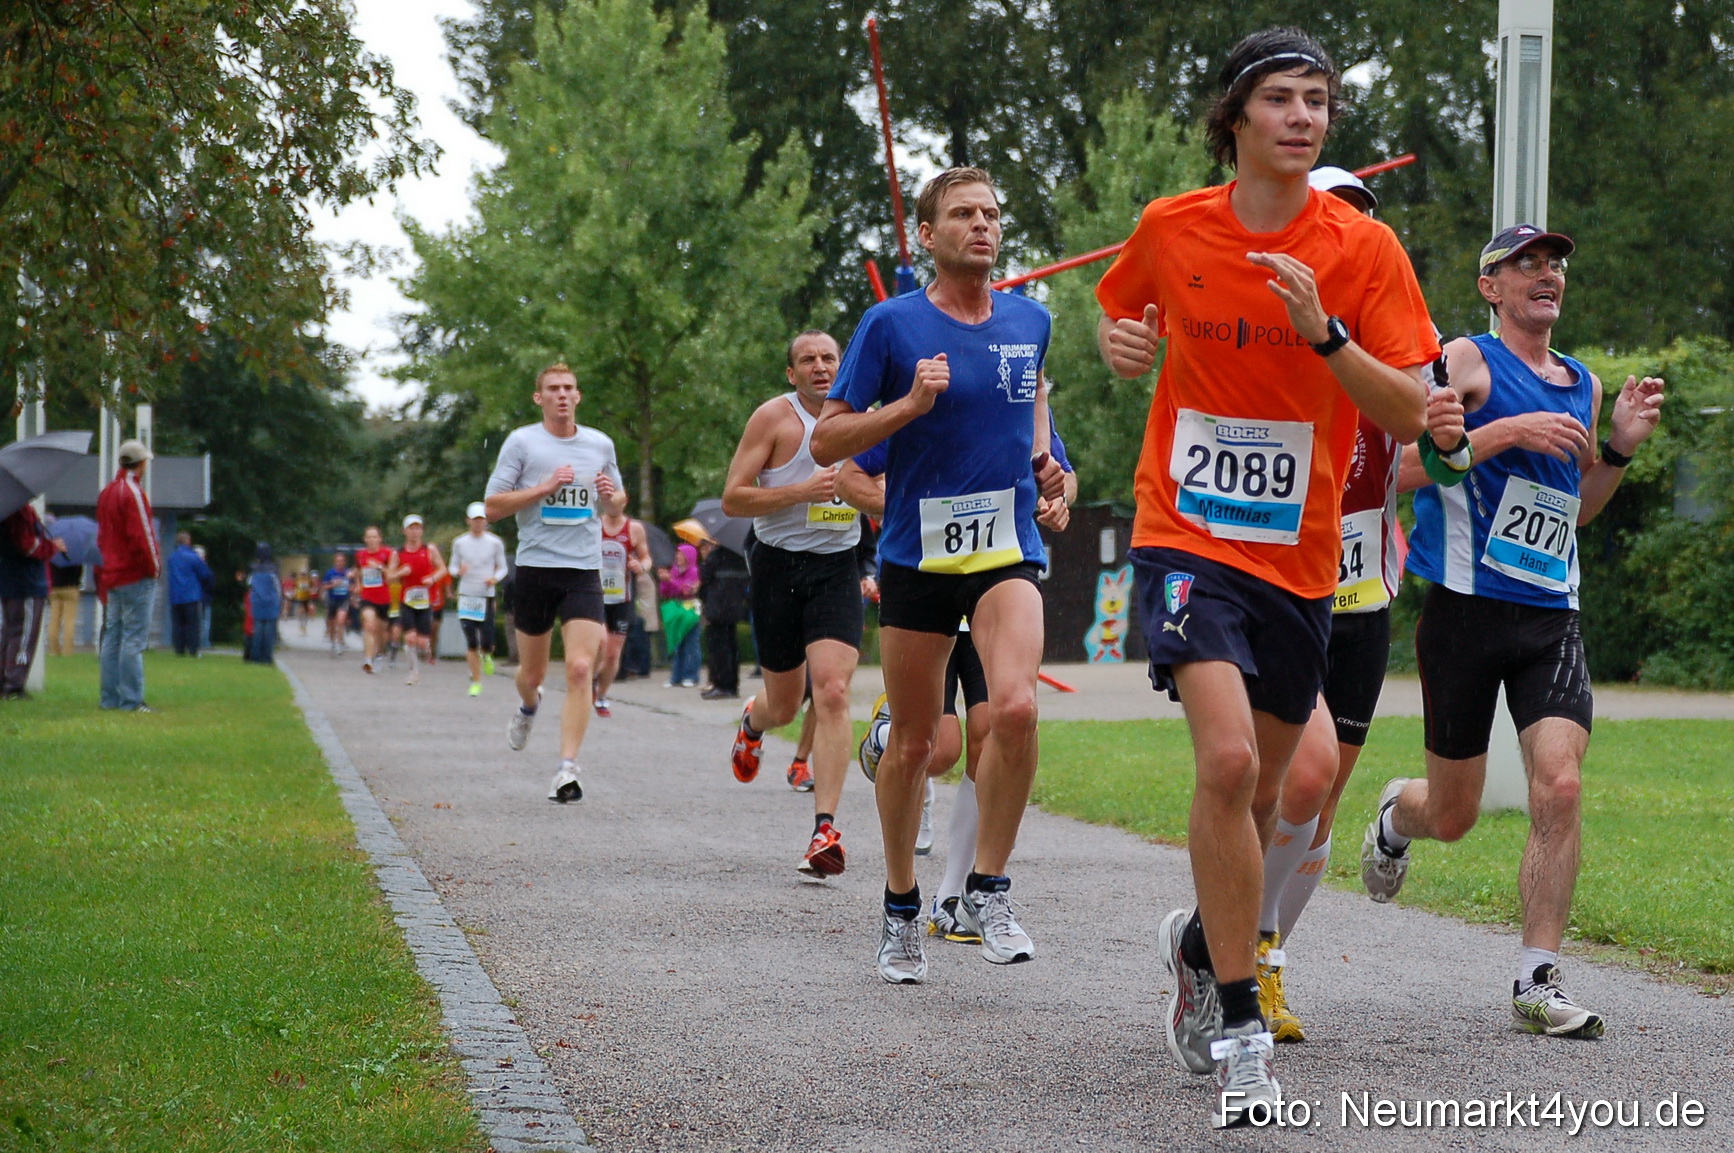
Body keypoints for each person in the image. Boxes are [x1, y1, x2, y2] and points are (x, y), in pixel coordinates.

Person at [1094, 27, 1437, 1127]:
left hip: (1301, 559)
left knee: (1275, 788)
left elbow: (1410, 409)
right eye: (1282, 98)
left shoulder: (1363, 250)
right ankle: (1242, 1028)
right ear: (1235, 116)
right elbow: (1119, 307)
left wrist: (1326, 336)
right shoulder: (1173, 225)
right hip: (1187, 530)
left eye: (1319, 101)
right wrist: (1120, 345)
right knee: (1231, 758)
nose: (1303, 117)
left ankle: (1204, 942)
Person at [1362, 223, 1664, 1041]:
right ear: (1490, 287)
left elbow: (1576, 508)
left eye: (1554, 262)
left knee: (1559, 785)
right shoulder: (1465, 361)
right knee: (1453, 813)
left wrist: (1618, 450)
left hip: (1550, 615)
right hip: (1464, 610)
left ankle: (1537, 977)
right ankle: (1395, 816)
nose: (1546, 272)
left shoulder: (1582, 382)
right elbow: (1401, 465)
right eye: (1525, 262)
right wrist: (1507, 431)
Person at [812, 165, 1068, 985]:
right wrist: (908, 408)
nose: (982, 225)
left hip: (1005, 550)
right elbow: (828, 442)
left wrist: (1052, 470)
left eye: (991, 213)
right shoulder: (890, 325)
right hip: (917, 558)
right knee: (917, 743)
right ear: (927, 235)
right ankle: (899, 905)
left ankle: (988, 889)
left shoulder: (1032, 320)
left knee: (1016, 708)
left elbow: (1032, 411)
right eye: (962, 214)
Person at [1251, 166, 1470, 1043]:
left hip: (1361, 593)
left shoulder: (1396, 337)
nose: (1347, 232)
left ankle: (1262, 957)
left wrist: (1456, 440)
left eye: (1361, 220)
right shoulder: (1264, 321)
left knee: (1322, 794)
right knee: (1290, 779)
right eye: (1333, 215)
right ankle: (1229, 937)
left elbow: (1436, 459)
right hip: (1277, 586)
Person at [843, 410, 1079, 931]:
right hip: (926, 581)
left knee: (994, 727)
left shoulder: (1015, 397)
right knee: (935, 749)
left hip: (994, 585)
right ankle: (889, 736)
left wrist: (1056, 498)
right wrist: (904, 504)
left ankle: (956, 896)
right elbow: (850, 476)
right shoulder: (916, 399)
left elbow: (1062, 472)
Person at [722, 329, 866, 878]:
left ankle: (824, 830)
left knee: (832, 691)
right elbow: (734, 497)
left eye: (829, 358)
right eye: (808, 360)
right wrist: (800, 492)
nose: (820, 367)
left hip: (837, 567)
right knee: (784, 705)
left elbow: (883, 483)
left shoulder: (862, 417)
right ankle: (754, 722)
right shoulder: (773, 419)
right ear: (792, 373)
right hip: (777, 567)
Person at [484, 361, 626, 804]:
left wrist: (611, 497)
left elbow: (617, 500)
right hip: (535, 568)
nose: (562, 395)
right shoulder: (522, 442)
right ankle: (529, 706)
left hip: (582, 570)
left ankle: (567, 769)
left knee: (581, 667)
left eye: (568, 388)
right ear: (539, 398)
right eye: (553, 388)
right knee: (533, 674)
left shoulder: (599, 443)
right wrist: (544, 488)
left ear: (578, 396)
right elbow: (492, 507)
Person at [96, 439, 163, 712]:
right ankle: (132, 700)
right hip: (134, 573)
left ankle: (109, 697)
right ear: (141, 463)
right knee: (133, 638)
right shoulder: (133, 492)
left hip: (112, 572)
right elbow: (143, 535)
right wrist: (154, 568)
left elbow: (103, 535)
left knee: (112, 636)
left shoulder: (107, 492)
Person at [1, 501, 65, 699]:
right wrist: (52, 546)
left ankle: (5, 680)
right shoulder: (19, 511)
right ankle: (14, 684)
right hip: (25, 582)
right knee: (24, 633)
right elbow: (27, 545)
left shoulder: (9, 508)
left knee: (8, 631)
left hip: (10, 580)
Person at [593, 503, 650, 715]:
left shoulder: (634, 528)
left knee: (612, 654)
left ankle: (601, 696)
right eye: (609, 502)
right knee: (600, 642)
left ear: (625, 502)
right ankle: (589, 680)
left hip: (622, 598)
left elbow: (646, 558)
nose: (613, 507)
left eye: (617, 503)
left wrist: (641, 566)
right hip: (595, 597)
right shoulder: (594, 525)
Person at [450, 501, 509, 697]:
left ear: (486, 521)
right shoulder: (460, 542)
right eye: (475, 519)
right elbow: (452, 567)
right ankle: (476, 681)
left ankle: (487, 655)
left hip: (486, 595)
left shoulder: (495, 543)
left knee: (487, 642)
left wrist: (495, 578)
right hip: (467, 595)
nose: (478, 523)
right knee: (471, 642)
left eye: (481, 519)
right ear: (468, 521)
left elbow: (503, 567)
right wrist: (458, 572)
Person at [388, 515, 447, 686]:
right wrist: (401, 572)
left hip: (425, 601)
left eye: (417, 528)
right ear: (404, 531)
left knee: (422, 641)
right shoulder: (398, 553)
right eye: (411, 528)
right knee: (410, 638)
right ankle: (414, 671)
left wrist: (432, 578)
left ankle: (426, 649)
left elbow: (443, 569)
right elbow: (389, 576)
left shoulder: (429, 549)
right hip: (407, 601)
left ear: (422, 531)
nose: (414, 532)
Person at [697, 539, 749, 700]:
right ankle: (732, 684)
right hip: (734, 607)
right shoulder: (740, 557)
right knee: (731, 646)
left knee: (718, 648)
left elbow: (704, 578)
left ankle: (721, 684)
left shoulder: (716, 557)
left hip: (717, 608)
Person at [658, 543, 702, 687]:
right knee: (677, 643)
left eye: (681, 554)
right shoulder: (674, 571)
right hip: (676, 608)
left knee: (691, 643)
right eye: (677, 553)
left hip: (690, 609)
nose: (678, 557)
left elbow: (687, 590)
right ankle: (676, 677)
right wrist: (664, 581)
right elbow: (665, 592)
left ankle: (691, 676)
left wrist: (671, 580)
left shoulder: (694, 572)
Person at [165, 531, 214, 657]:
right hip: (191, 595)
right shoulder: (193, 557)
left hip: (175, 596)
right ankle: (193, 649)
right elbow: (205, 574)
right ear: (188, 541)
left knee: (178, 624)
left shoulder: (172, 558)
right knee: (193, 624)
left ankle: (179, 649)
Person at [354, 525, 394, 673]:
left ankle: (379, 654)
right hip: (367, 597)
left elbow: (393, 574)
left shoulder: (387, 553)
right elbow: (358, 571)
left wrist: (380, 567)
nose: (371, 539)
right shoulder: (360, 555)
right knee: (369, 624)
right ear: (365, 539)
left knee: (382, 633)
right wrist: (358, 584)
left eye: (374, 536)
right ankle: (368, 659)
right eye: (369, 537)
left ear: (380, 539)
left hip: (384, 598)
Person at [247, 544, 283, 664]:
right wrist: (280, 603)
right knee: (268, 633)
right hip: (271, 603)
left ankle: (255, 656)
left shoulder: (253, 568)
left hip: (257, 603)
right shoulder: (273, 569)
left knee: (257, 631)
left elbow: (249, 584)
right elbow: (278, 588)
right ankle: (266, 657)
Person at [47, 551, 82, 656]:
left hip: (54, 588)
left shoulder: (53, 552)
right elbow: (79, 571)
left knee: (54, 620)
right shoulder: (75, 554)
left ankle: (54, 649)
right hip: (71, 587)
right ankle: (67, 651)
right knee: (69, 621)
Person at [323, 551, 352, 656]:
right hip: (332, 600)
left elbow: (354, 586)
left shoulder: (348, 573)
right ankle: (333, 643)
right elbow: (324, 586)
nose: (340, 563)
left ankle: (340, 643)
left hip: (343, 600)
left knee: (340, 620)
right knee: (332, 624)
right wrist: (333, 585)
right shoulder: (330, 573)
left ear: (345, 562)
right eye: (338, 561)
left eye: (342, 561)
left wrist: (351, 588)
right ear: (335, 562)